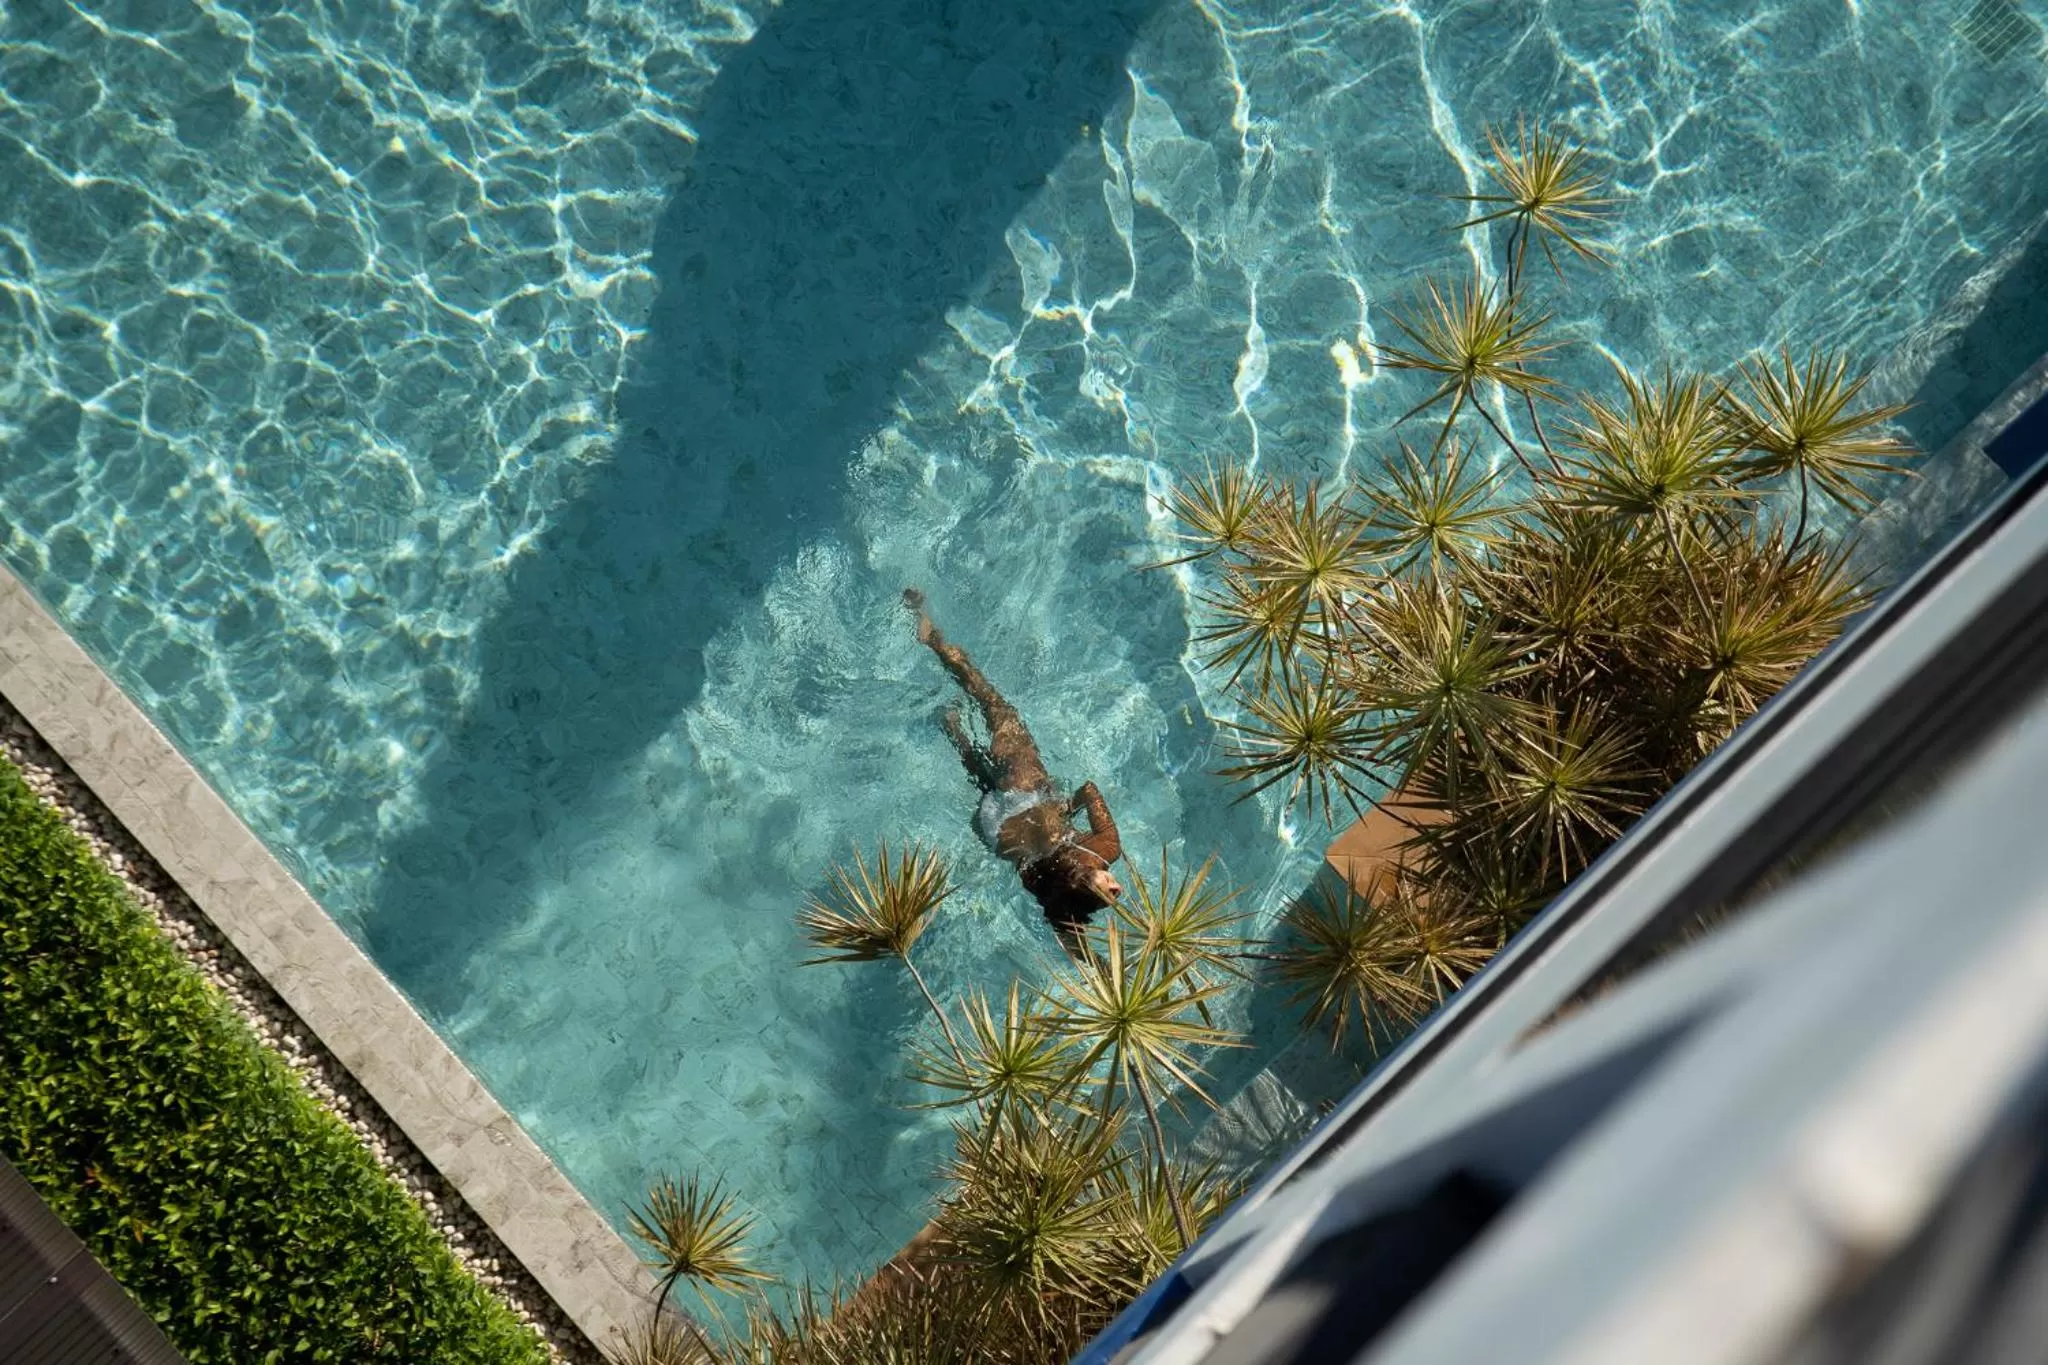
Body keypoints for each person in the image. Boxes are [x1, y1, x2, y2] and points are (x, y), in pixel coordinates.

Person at [903, 588, 1122, 950]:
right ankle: (953, 729)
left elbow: (1088, 789)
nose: (1117, 888)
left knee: (994, 705)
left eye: (1107, 894)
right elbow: (1073, 943)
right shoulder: (1059, 904)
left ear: (1091, 884)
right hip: (994, 830)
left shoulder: (1106, 848)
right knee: (983, 778)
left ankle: (934, 641)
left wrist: (1063, 808)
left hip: (1027, 792)